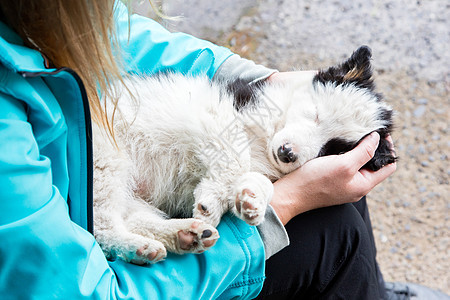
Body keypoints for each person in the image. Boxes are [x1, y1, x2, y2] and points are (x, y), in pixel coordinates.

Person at [0, 1, 447, 299]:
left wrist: (260, 79)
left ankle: (366, 288)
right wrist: (285, 207)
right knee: (336, 232)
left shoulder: (40, 13)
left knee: (341, 189)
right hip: (95, 258)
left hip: (120, 185)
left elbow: (112, 31)